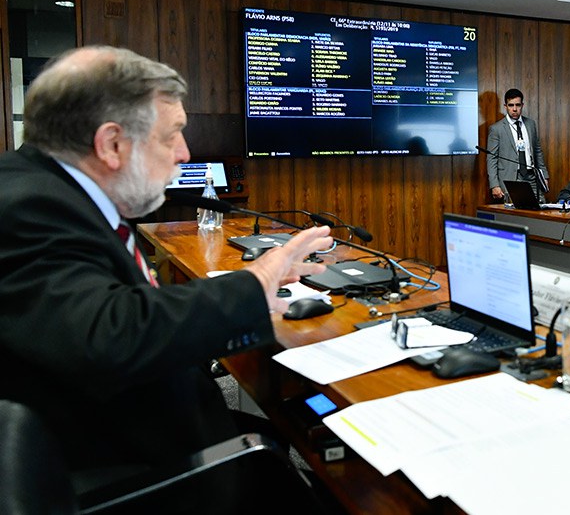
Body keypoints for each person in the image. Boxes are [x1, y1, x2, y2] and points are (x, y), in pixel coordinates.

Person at [0, 46, 335, 513]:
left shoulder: (48, 192)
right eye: (172, 135)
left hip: (149, 426)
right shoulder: (25, 209)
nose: (185, 154)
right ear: (112, 144)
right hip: (144, 469)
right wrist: (255, 283)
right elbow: (109, 334)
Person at [487, 88, 549, 201]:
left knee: (540, 209)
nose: (514, 109)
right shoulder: (496, 129)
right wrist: (494, 185)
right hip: (511, 177)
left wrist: (544, 175)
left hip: (532, 176)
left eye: (518, 105)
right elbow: (491, 158)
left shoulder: (530, 124)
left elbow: (537, 151)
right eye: (511, 105)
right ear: (505, 106)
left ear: (522, 105)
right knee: (516, 214)